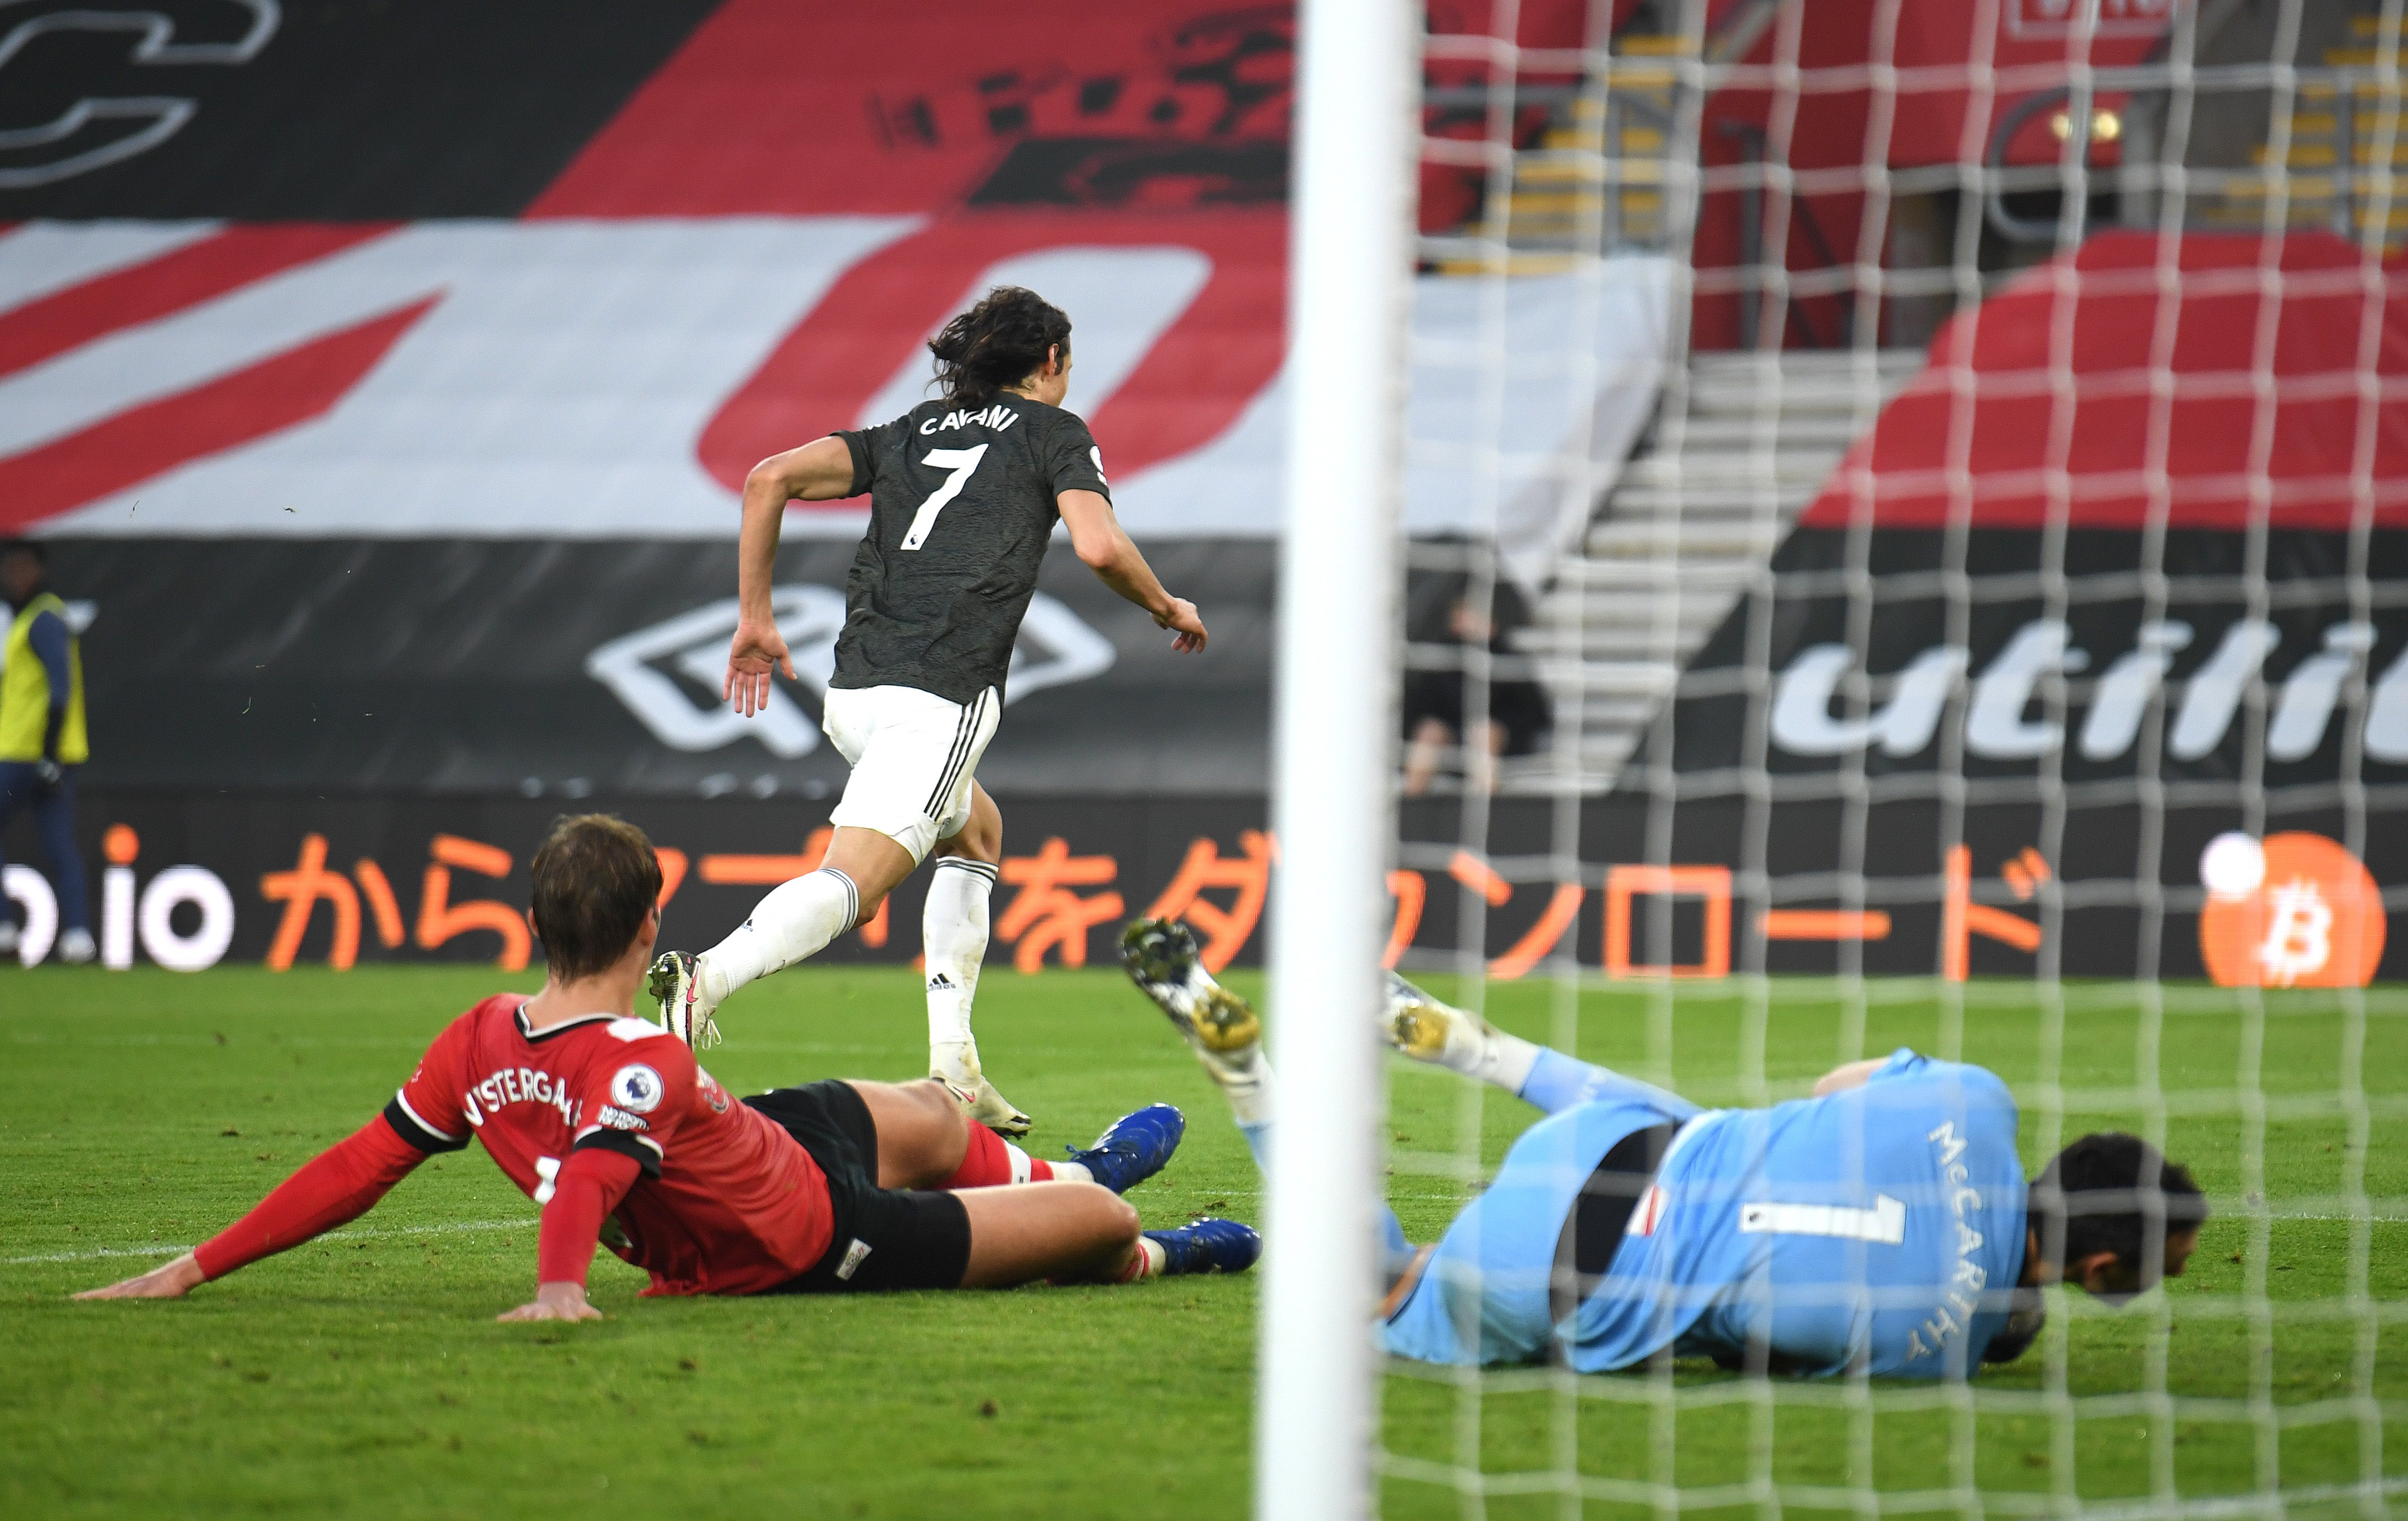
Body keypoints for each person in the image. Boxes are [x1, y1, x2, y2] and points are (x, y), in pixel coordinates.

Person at [74, 817, 1258, 1316]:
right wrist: (557, 1289)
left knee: (936, 1112)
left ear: (536, 926)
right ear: (650, 930)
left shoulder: (478, 1035)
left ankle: (1060, 1164)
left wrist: (193, 1268)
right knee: (1097, 1224)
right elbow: (591, 1174)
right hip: (809, 1241)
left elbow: (357, 1166)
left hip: (761, 1143)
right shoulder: (639, 1056)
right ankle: (1146, 1238)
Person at [1117, 917, 2207, 1377]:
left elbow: (1830, 1091)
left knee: (1703, 1128)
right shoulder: (1932, 1354)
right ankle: (1243, 1067)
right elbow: (1740, 1348)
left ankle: (1460, 1043)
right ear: (2102, 1267)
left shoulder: (1975, 1100)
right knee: (1379, 1286)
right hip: (1558, 1270)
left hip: (1618, 1136)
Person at [651, 286, 1210, 1136]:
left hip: (854, 694)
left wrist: (756, 617)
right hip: (938, 697)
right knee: (854, 887)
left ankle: (954, 1065)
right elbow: (1097, 544)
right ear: (1052, 362)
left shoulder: (908, 432)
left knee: (975, 832)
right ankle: (706, 979)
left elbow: (769, 478)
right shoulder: (1056, 434)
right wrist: (1167, 606)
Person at [0, 539, 93, 965]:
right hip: (46, 755)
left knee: (60, 845)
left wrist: (49, 753)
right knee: (60, 844)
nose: (12, 577)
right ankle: (77, 936)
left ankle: (6, 928)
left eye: (20, 568)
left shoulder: (41, 620)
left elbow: (60, 688)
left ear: (36, 570)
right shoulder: (39, 617)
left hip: (23, 752)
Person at [1400, 572, 1550, 798]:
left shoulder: (1508, 660)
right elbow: (1419, 707)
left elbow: (1535, 713)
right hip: (1450, 738)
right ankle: (1411, 805)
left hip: (1497, 742)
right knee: (1429, 735)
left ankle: (1486, 806)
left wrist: (1502, 728)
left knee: (1485, 735)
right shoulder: (1441, 658)